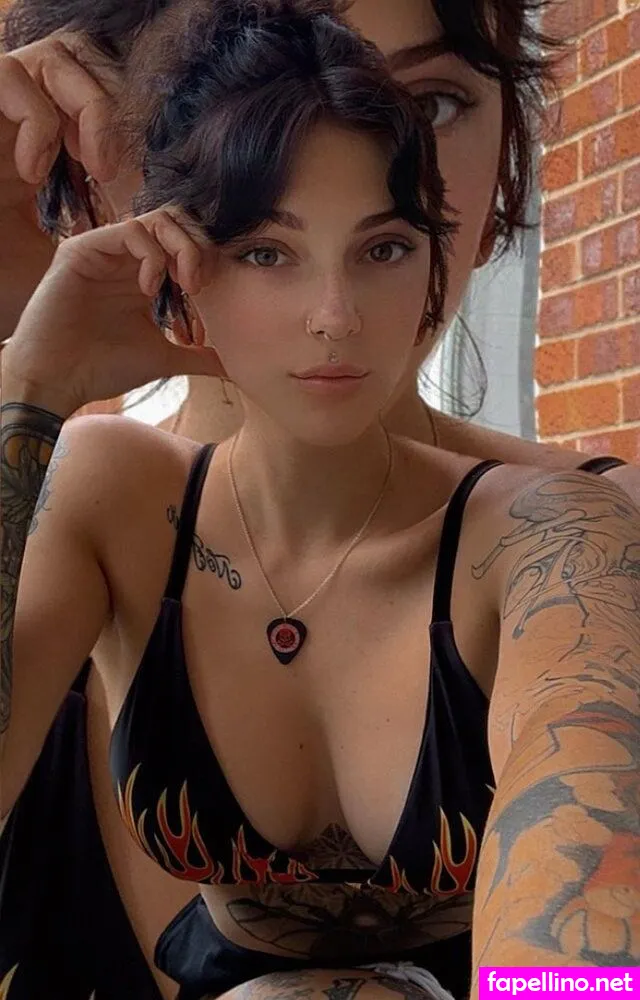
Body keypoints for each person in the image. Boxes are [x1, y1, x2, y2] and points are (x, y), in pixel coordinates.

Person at [0, 2, 638, 1000]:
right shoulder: (106, 492)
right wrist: (26, 382)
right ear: (176, 255)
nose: (334, 317)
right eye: (267, 249)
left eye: (382, 248)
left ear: (438, 254)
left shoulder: (558, 532)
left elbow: (584, 954)